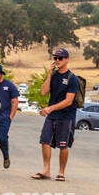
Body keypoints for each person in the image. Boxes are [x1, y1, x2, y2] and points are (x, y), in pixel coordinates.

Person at [33, 47, 79, 181]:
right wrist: (49, 75)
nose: (57, 60)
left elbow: (69, 101)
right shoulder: (53, 76)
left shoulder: (72, 78)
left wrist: (50, 108)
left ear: (67, 59)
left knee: (63, 145)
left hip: (66, 116)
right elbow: (43, 92)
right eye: (55, 58)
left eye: (60, 58)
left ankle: (61, 172)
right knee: (45, 141)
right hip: (52, 115)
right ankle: (46, 170)